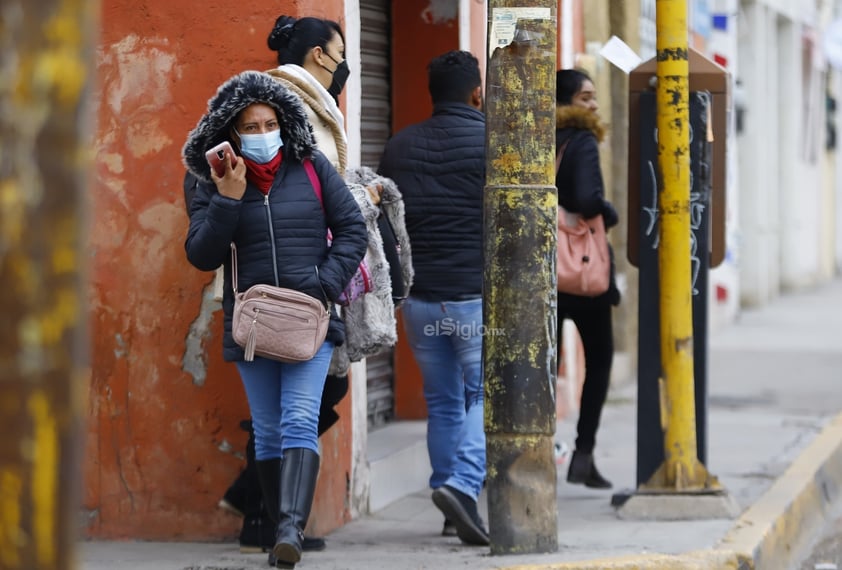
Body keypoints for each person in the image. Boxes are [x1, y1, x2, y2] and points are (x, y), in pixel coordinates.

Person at [183, 70, 367, 569]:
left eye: (270, 123)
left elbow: (352, 228)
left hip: (310, 318)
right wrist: (228, 197)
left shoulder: (311, 167)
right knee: (266, 428)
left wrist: (324, 285)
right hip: (252, 322)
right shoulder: (211, 180)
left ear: (284, 123)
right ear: (231, 132)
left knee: (300, 420)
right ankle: (270, 527)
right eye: (250, 125)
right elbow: (201, 254)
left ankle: (290, 529)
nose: (263, 134)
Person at [377, 50, 488, 547]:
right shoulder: (494, 141)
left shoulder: (399, 146)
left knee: (444, 404)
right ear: (477, 93)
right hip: (473, 300)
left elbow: (385, 224)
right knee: (488, 395)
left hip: (420, 301)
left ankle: (448, 502)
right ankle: (463, 487)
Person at [554, 68, 621, 490]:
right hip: (582, 270)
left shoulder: (540, 135)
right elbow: (585, 198)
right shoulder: (582, 139)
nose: (594, 105)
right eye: (586, 97)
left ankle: (532, 453)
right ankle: (583, 454)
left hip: (547, 267)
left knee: (543, 364)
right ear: (568, 103)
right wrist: (608, 212)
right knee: (599, 361)